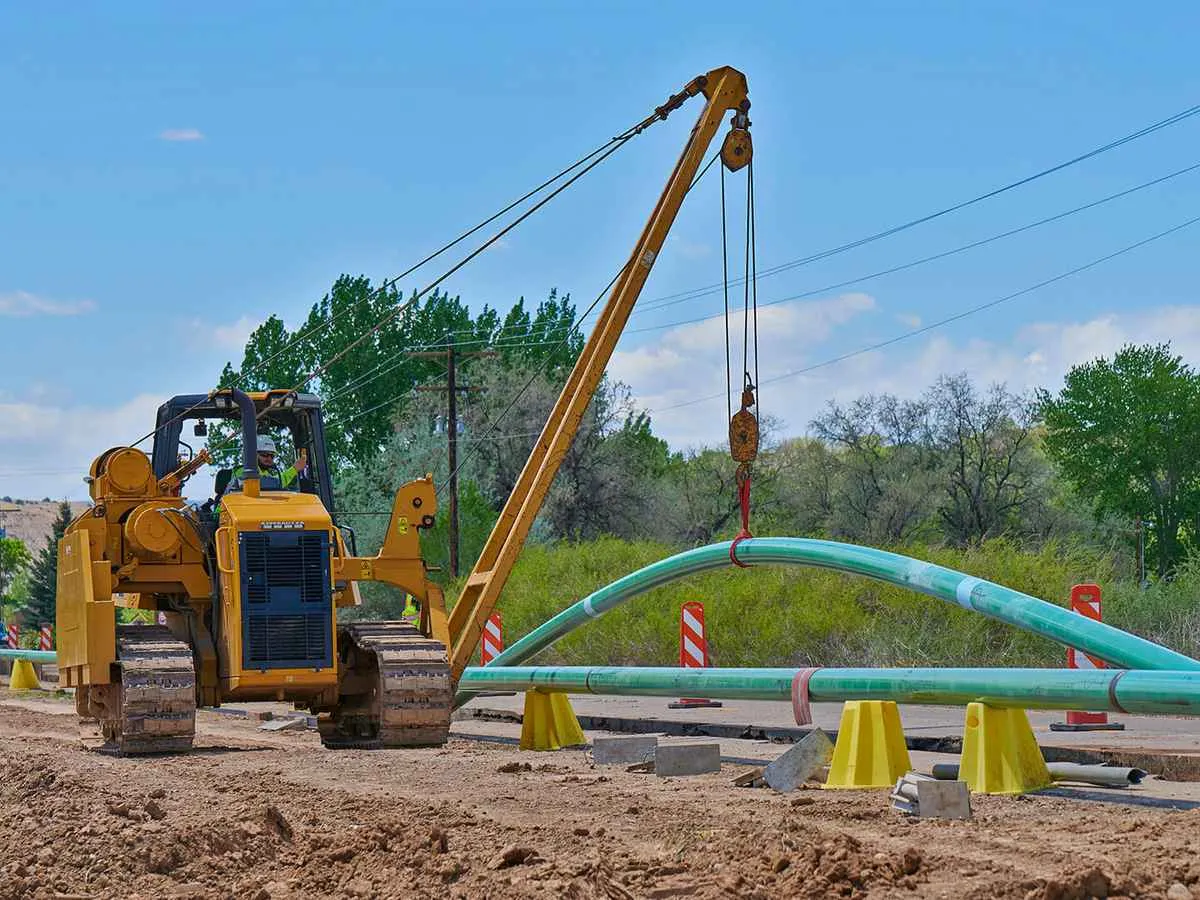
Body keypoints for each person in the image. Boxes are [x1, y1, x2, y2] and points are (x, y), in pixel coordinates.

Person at [225, 435, 308, 494]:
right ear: (253, 455)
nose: (269, 459)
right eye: (264, 455)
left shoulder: (267, 474)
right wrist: (294, 469)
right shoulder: (243, 471)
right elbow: (273, 483)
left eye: (272, 456)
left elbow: (277, 482)